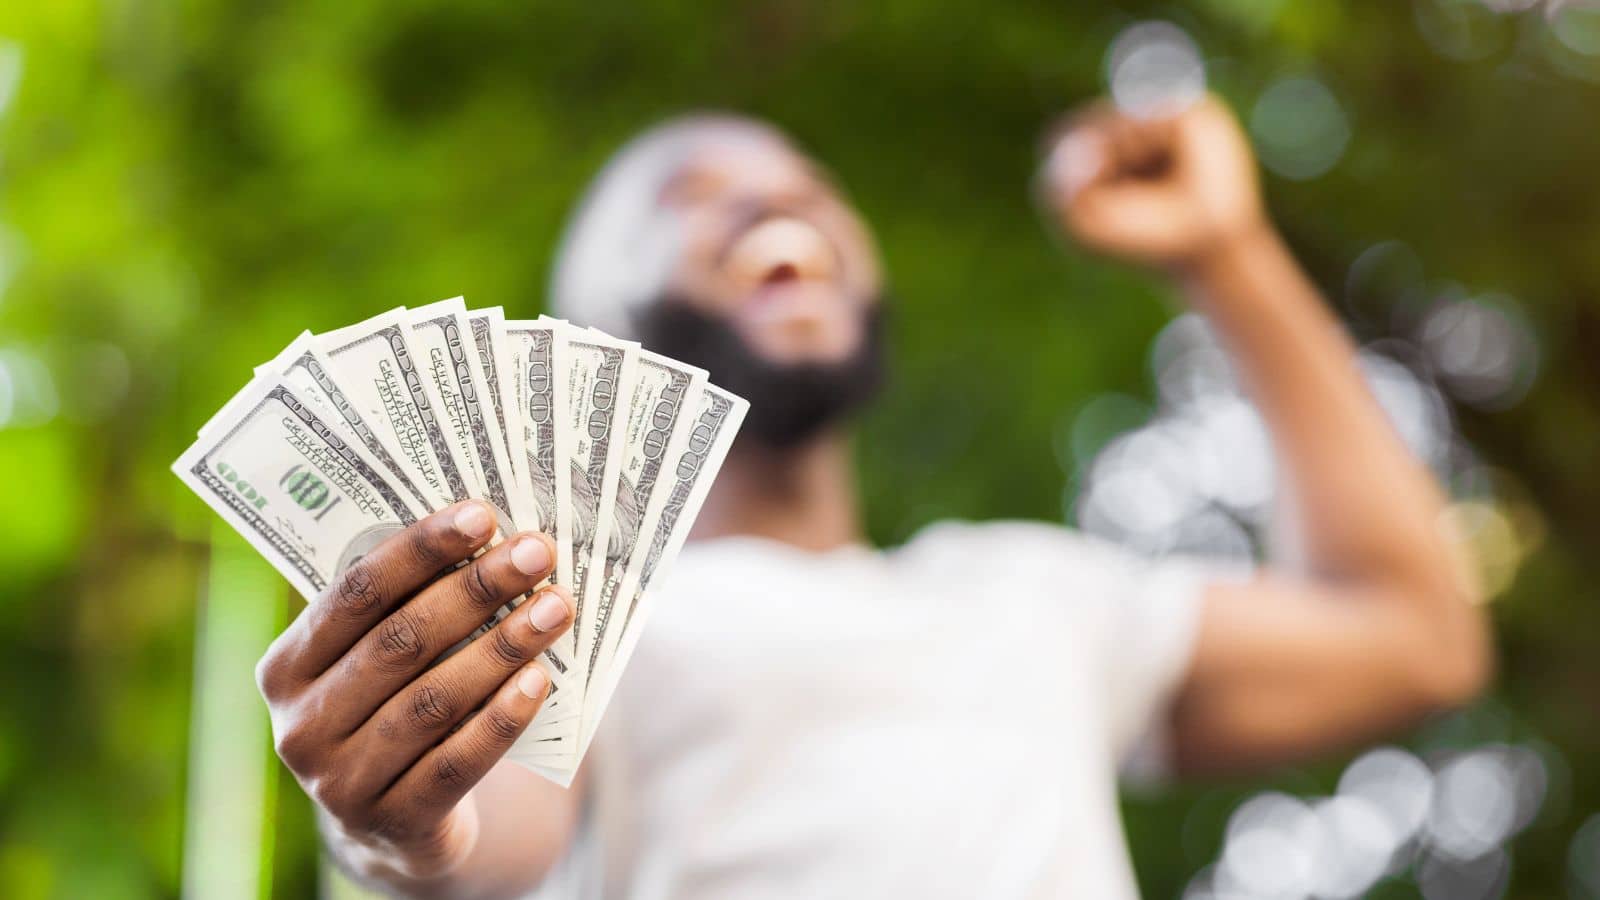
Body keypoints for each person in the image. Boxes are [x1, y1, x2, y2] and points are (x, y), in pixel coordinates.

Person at [253, 96, 1491, 899]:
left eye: (805, 183)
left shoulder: (1035, 589)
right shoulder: (565, 621)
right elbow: (478, 846)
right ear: (589, 334)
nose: (770, 198)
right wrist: (392, 838)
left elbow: (1413, 636)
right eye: (682, 195)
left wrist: (1222, 253)